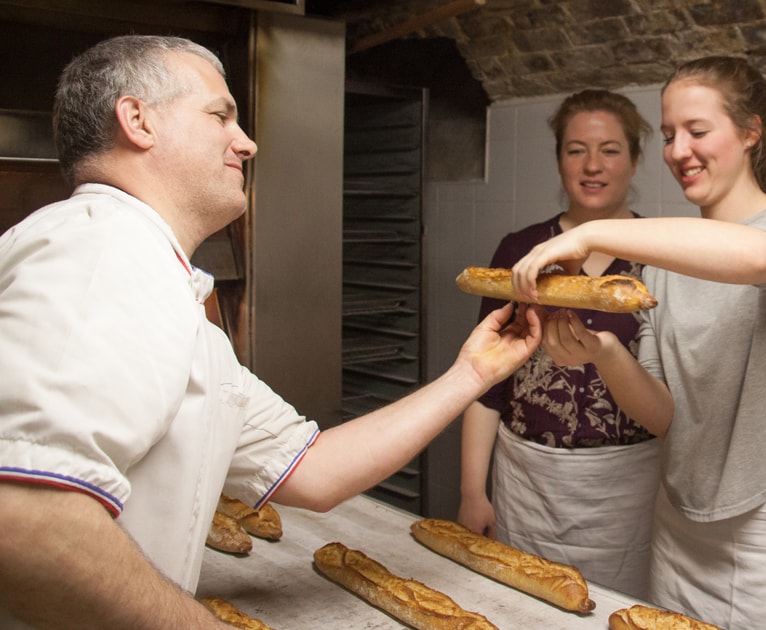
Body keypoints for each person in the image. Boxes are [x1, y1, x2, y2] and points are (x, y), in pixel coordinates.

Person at [0, 35, 541, 629]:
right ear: (138, 121)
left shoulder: (171, 295)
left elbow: (313, 470)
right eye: (220, 115)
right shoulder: (103, 249)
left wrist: (472, 374)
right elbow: (23, 517)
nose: (247, 141)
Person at [510, 56, 766, 629]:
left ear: (750, 132)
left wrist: (592, 229)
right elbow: (663, 414)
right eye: (670, 134)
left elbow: (756, 258)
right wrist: (602, 352)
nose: (678, 150)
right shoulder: (664, 266)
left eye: (697, 131)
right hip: (683, 530)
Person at [456, 89, 660, 598]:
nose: (593, 165)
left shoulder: (664, 255)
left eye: (610, 150)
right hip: (528, 480)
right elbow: (487, 383)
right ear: (559, 160)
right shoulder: (520, 251)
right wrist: (471, 492)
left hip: (628, 487)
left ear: (634, 160)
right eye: (576, 150)